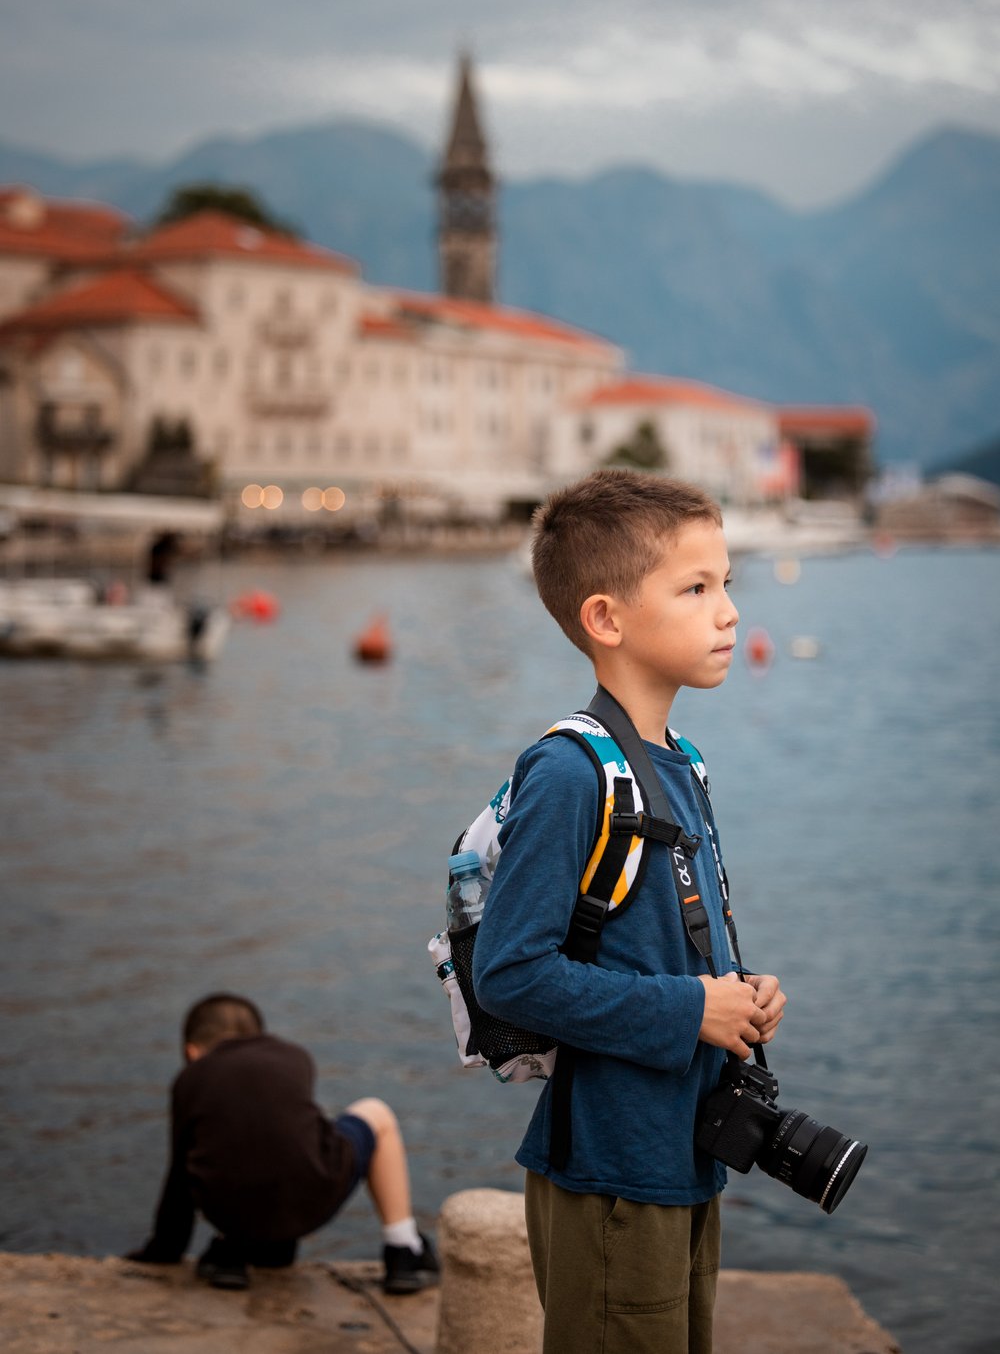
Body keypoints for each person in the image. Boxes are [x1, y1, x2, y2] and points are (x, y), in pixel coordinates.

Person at [473, 470, 787, 1354]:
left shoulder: (679, 760)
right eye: (696, 589)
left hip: (680, 1153)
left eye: (727, 583)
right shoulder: (572, 774)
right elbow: (510, 973)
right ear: (606, 619)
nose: (727, 612)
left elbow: (663, 939)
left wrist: (738, 995)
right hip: (611, 1169)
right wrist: (693, 1010)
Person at [125, 993, 438, 1295]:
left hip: (230, 1211)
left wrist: (165, 1250)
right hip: (313, 1196)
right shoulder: (295, 1056)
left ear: (192, 1051)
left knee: (226, 1140)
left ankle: (232, 1250)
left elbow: (178, 1178)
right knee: (376, 1113)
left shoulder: (190, 1079)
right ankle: (403, 1249)